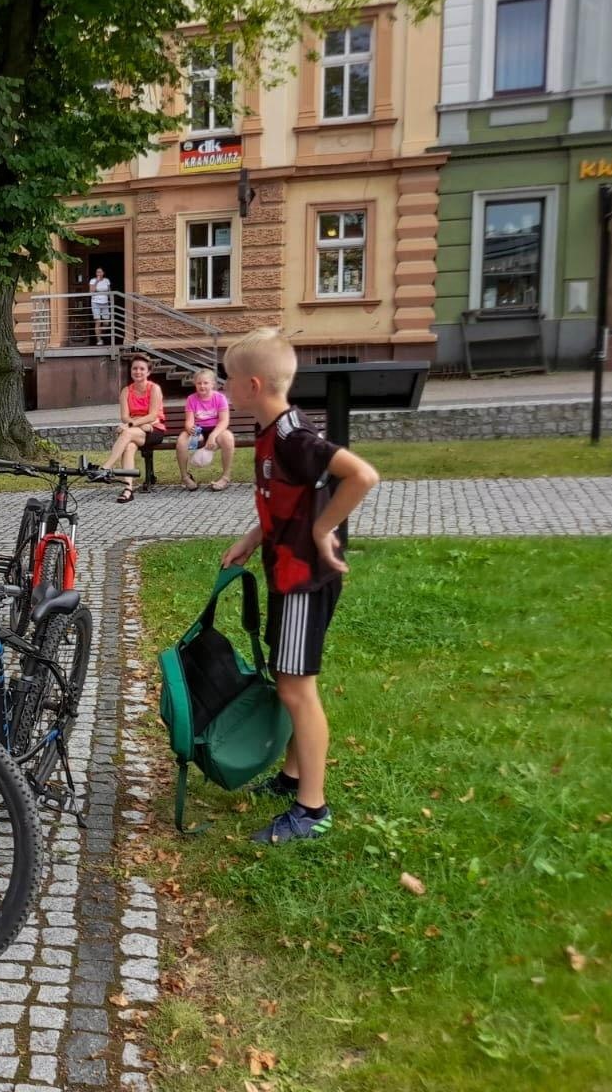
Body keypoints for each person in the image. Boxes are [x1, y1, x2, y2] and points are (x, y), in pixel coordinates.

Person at [220, 328, 379, 844]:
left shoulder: (292, 436)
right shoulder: (272, 432)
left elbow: (361, 475)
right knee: (288, 675)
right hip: (286, 574)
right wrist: (251, 538)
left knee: (296, 686)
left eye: (228, 382)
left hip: (304, 581)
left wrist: (322, 527)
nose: (223, 391)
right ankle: (292, 776)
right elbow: (282, 500)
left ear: (253, 384)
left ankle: (312, 808)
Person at [106, 356, 166, 503]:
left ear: (148, 372)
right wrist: (138, 425)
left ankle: (106, 468)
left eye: (142, 369)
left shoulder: (154, 389)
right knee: (129, 446)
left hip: (154, 430)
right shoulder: (126, 391)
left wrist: (133, 425)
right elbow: (125, 417)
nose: (138, 371)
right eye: (135, 368)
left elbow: (152, 415)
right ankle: (128, 489)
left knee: (126, 432)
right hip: (138, 430)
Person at [176, 367, 236, 491]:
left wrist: (213, 436)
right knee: (182, 440)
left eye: (206, 383)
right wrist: (190, 429)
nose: (202, 386)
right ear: (195, 384)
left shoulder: (220, 398)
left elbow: (224, 421)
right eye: (199, 383)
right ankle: (185, 477)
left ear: (213, 384)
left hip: (216, 429)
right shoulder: (191, 399)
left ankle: (225, 477)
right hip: (198, 429)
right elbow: (189, 421)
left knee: (228, 438)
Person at [88, 266, 113, 346]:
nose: (98, 273)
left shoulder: (106, 280)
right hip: (95, 302)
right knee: (98, 322)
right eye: (97, 272)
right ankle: (99, 340)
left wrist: (111, 300)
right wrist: (96, 282)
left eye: (100, 272)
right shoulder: (92, 280)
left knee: (106, 323)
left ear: (103, 273)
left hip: (105, 303)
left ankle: (100, 334)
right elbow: (91, 291)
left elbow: (109, 291)